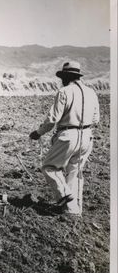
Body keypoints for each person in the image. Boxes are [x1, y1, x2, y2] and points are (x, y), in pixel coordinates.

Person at [29, 61, 100, 216]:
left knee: (49, 167)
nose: (61, 80)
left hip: (68, 137)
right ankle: (73, 211)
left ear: (67, 76)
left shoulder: (64, 92)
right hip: (87, 137)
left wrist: (38, 133)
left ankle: (65, 195)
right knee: (74, 172)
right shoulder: (91, 92)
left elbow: (52, 120)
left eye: (62, 76)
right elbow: (96, 119)